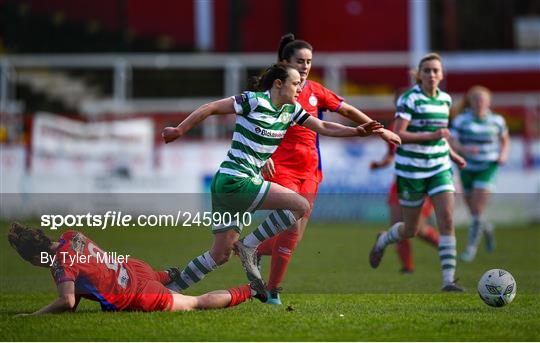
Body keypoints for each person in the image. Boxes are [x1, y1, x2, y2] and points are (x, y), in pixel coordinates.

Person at [161, 63, 385, 294]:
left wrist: (357, 131)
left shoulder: (290, 110)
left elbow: (322, 125)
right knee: (300, 205)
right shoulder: (254, 100)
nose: (300, 88)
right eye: (296, 83)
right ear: (279, 83)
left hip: (227, 183)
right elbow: (210, 107)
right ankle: (249, 245)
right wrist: (179, 130)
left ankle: (173, 289)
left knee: (220, 255)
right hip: (236, 181)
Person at [255, 33, 401, 304]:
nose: (306, 66)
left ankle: (252, 251)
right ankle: (271, 291)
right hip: (281, 170)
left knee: (294, 238)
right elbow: (252, 125)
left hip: (311, 171)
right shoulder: (270, 94)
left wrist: (381, 131)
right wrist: (260, 155)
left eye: (309, 61)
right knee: (289, 227)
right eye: (300, 61)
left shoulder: (316, 91)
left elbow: (348, 111)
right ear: (284, 62)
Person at [368, 52, 468, 292]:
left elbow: (441, 135)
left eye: (436, 70)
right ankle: (383, 240)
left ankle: (448, 280)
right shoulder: (409, 99)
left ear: (442, 74)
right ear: (419, 75)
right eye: (427, 71)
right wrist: (430, 136)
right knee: (411, 230)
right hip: (411, 171)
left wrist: (453, 155)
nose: (432, 74)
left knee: (447, 219)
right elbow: (399, 133)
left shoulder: (445, 100)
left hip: (439, 168)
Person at [7, 222, 264, 315]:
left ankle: (251, 290)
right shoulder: (70, 234)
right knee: (153, 278)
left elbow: (67, 300)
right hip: (134, 268)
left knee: (196, 303)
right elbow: (86, 279)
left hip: (136, 290)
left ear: (34, 257)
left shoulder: (61, 265)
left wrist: (33, 316)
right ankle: (167, 275)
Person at [449, 86, 510, 262]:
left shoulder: (497, 121)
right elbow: (452, 143)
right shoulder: (462, 120)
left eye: (482, 101)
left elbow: (505, 139)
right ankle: (487, 228)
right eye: (476, 101)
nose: (479, 104)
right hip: (467, 168)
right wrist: (465, 148)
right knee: (474, 213)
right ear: (471, 102)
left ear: (488, 103)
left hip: (487, 167)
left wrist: (503, 155)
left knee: (476, 209)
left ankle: (470, 249)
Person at [370, 137, 440, 273]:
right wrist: (380, 164)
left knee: (418, 230)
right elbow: (391, 155)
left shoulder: (429, 126)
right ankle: (407, 267)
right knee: (397, 226)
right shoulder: (394, 129)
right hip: (400, 184)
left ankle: (447, 249)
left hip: (423, 184)